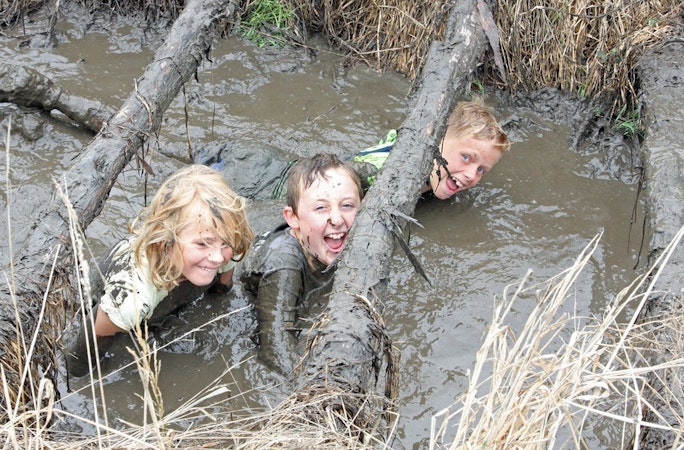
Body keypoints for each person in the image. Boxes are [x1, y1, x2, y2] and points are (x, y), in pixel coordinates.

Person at [66, 164, 254, 377]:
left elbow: (222, 289)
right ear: (166, 242)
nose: (218, 257)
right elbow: (86, 348)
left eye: (225, 244)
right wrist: (81, 379)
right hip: (108, 311)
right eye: (202, 244)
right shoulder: (133, 297)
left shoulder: (228, 246)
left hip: (170, 288)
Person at [239, 153, 363, 376]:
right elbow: (275, 349)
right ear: (293, 218)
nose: (337, 219)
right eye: (321, 208)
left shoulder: (349, 234)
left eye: (347, 205)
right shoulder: (283, 263)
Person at [354, 97, 511, 199]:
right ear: (436, 140)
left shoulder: (446, 174)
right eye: (466, 157)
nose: (471, 175)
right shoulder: (378, 176)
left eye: (481, 170)